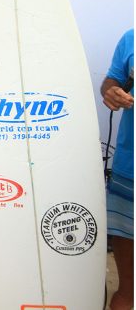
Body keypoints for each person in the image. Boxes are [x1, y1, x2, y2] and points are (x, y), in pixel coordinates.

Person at [101, 28, 134, 310]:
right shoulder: (130, 38)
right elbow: (113, 81)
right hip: (130, 160)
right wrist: (111, 91)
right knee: (125, 231)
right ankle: (128, 292)